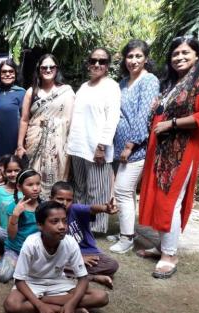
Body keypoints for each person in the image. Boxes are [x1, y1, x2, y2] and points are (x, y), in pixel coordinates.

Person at [139, 36, 199, 278]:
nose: (179, 58)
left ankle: (170, 255)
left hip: (182, 152)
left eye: (185, 53)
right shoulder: (173, 84)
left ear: (196, 56)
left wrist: (171, 123)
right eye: (175, 54)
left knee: (169, 203)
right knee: (159, 200)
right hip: (162, 151)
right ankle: (162, 246)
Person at [3, 201, 109, 313]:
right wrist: (40, 306)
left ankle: (47, 302)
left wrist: (72, 304)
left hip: (58, 282)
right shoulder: (31, 244)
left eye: (64, 221)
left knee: (101, 297)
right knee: (11, 305)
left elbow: (83, 278)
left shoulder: (70, 242)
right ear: (40, 225)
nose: (62, 226)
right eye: (55, 221)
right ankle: (64, 310)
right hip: (32, 282)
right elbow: (20, 280)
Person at [109, 40, 160, 254]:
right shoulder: (122, 83)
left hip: (135, 148)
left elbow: (143, 116)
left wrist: (130, 145)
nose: (133, 60)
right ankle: (126, 231)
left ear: (146, 58)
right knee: (126, 193)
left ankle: (128, 238)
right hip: (118, 147)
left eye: (138, 56)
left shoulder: (149, 81)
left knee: (121, 190)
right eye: (130, 56)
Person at [66, 47, 121, 233]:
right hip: (78, 147)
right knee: (80, 188)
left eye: (102, 61)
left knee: (97, 189)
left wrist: (102, 146)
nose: (97, 64)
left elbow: (112, 118)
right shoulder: (84, 86)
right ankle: (81, 223)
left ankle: (96, 228)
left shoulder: (111, 86)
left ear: (107, 66)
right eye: (93, 60)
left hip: (97, 148)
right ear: (88, 63)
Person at [16, 54, 74, 197]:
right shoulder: (32, 91)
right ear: (39, 70)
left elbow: (72, 120)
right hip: (35, 141)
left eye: (51, 67)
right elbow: (24, 120)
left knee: (58, 177)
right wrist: (19, 145)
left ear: (56, 69)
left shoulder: (66, 91)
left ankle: (55, 208)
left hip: (59, 144)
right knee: (34, 175)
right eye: (44, 67)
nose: (48, 70)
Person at [50, 181, 119, 288]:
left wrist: (105, 209)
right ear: (51, 199)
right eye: (60, 199)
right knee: (50, 263)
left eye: (69, 200)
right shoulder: (47, 216)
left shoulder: (75, 209)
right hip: (65, 256)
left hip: (89, 252)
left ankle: (73, 273)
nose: (64, 203)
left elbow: (92, 209)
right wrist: (78, 258)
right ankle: (92, 277)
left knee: (112, 265)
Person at [0, 169, 41, 283]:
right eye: (30, 185)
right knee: (2, 276)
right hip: (15, 248)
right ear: (19, 187)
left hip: (34, 250)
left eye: (38, 184)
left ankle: (16, 262)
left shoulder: (43, 207)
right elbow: (12, 235)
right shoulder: (13, 206)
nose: (35, 188)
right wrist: (15, 215)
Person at [0, 59, 26, 172]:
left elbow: (25, 120)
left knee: (15, 183)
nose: (7, 74)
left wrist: (21, 145)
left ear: (15, 74)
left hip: (15, 148)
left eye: (11, 71)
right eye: (4, 71)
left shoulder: (22, 93)